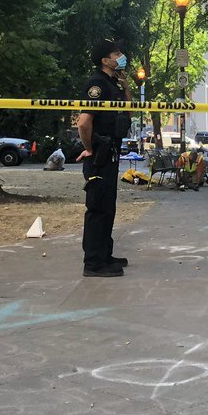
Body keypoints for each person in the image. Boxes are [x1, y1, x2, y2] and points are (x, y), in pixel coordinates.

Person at [76, 39, 132, 277]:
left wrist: (126, 87)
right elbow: (84, 121)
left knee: (108, 207)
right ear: (104, 60)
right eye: (116, 52)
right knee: (98, 208)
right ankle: (93, 263)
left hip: (112, 151)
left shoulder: (114, 83)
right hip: (99, 152)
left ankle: (105, 254)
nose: (121, 55)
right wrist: (89, 148)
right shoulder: (96, 84)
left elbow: (128, 111)